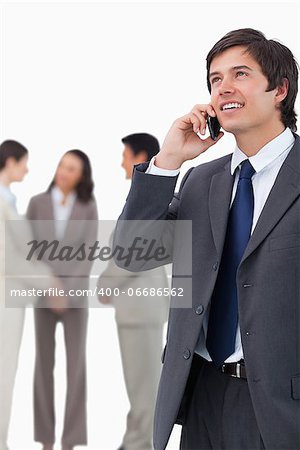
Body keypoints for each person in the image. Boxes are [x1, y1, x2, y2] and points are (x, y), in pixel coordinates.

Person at [114, 29, 300, 450]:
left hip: (279, 407)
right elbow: (132, 254)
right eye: (215, 80)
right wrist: (168, 161)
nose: (223, 88)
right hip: (199, 396)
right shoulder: (201, 180)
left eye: (240, 74)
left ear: (280, 90)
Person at [97, 133, 169, 450]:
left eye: (125, 155)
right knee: (139, 385)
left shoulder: (148, 201)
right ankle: (135, 440)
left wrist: (105, 283)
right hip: (137, 312)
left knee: (144, 387)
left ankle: (139, 444)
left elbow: (133, 252)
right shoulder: (146, 198)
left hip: (141, 312)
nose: (121, 162)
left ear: (140, 155)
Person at [26, 150, 98, 450]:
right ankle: (45, 439)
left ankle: (70, 441)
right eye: (61, 166)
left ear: (81, 176)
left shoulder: (88, 205)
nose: (63, 172)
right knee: (43, 365)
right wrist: (49, 286)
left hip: (75, 297)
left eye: (71, 169)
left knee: (75, 367)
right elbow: (27, 248)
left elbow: (89, 251)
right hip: (43, 295)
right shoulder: (37, 203)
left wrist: (67, 291)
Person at [0, 140, 57, 450]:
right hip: (4, 302)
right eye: (24, 162)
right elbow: (6, 258)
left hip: (13, 299)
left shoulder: (8, 200)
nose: (27, 168)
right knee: (3, 372)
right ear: (10, 162)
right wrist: (48, 281)